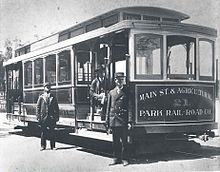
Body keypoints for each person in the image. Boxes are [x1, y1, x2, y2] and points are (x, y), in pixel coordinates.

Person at [105, 72, 131, 166]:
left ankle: (125, 159)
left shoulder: (127, 92)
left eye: (121, 80)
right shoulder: (111, 92)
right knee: (115, 141)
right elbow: (108, 108)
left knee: (124, 141)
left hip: (123, 120)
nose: (120, 81)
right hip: (114, 119)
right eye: (118, 80)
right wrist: (107, 121)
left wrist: (129, 121)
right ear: (115, 81)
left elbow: (130, 107)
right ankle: (116, 158)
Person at [36, 83, 59, 151]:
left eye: (49, 87)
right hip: (43, 117)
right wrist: (38, 117)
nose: (48, 88)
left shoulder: (53, 97)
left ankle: (53, 146)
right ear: (44, 88)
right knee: (43, 132)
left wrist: (57, 116)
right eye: (46, 87)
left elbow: (56, 107)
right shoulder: (41, 97)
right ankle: (43, 146)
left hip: (51, 117)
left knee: (52, 132)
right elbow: (38, 107)